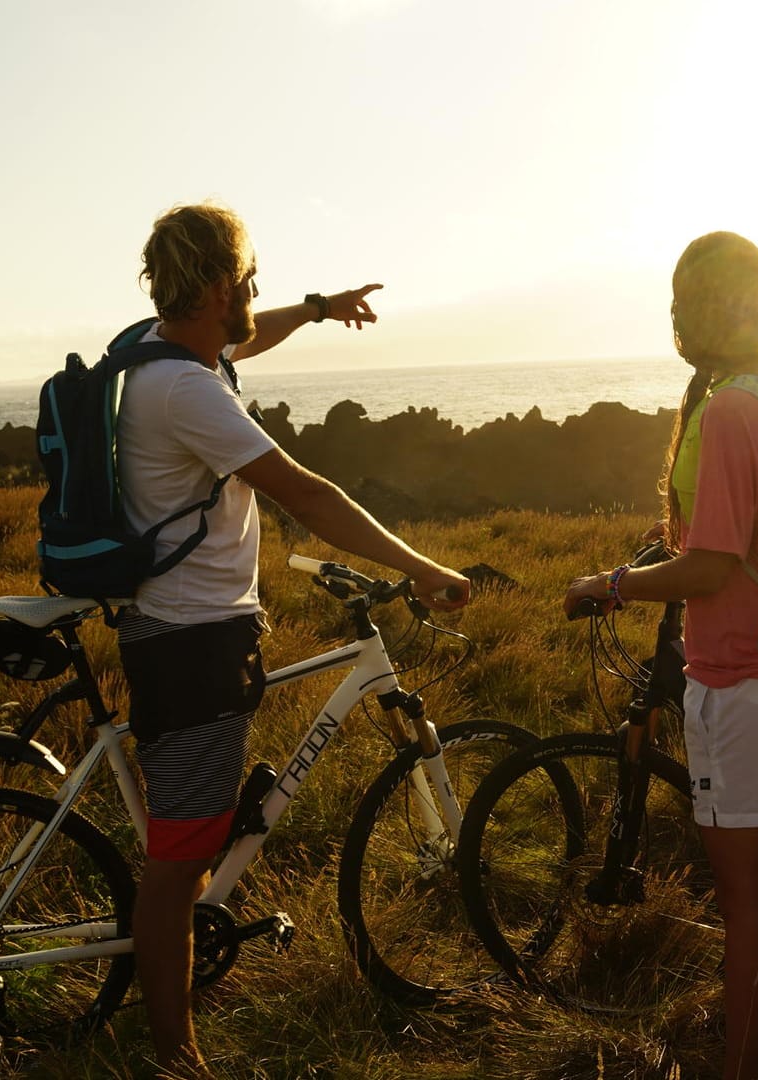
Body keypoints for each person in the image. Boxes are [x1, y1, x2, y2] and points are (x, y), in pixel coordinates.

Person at [118, 202, 469, 1075]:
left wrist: (315, 307)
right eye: (244, 277)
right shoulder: (186, 390)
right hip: (191, 643)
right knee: (180, 861)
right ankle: (175, 1056)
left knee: (188, 844)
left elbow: (244, 339)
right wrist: (422, 566)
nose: (253, 289)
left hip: (186, 630)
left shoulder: (158, 349)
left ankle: (170, 1018)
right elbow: (306, 494)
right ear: (209, 286)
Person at [564, 231, 758, 1080]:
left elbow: (715, 566)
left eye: (683, 303)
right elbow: (749, 521)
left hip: (744, 679)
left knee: (748, 907)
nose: (677, 318)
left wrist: (608, 583)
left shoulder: (725, 411)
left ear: (701, 312)